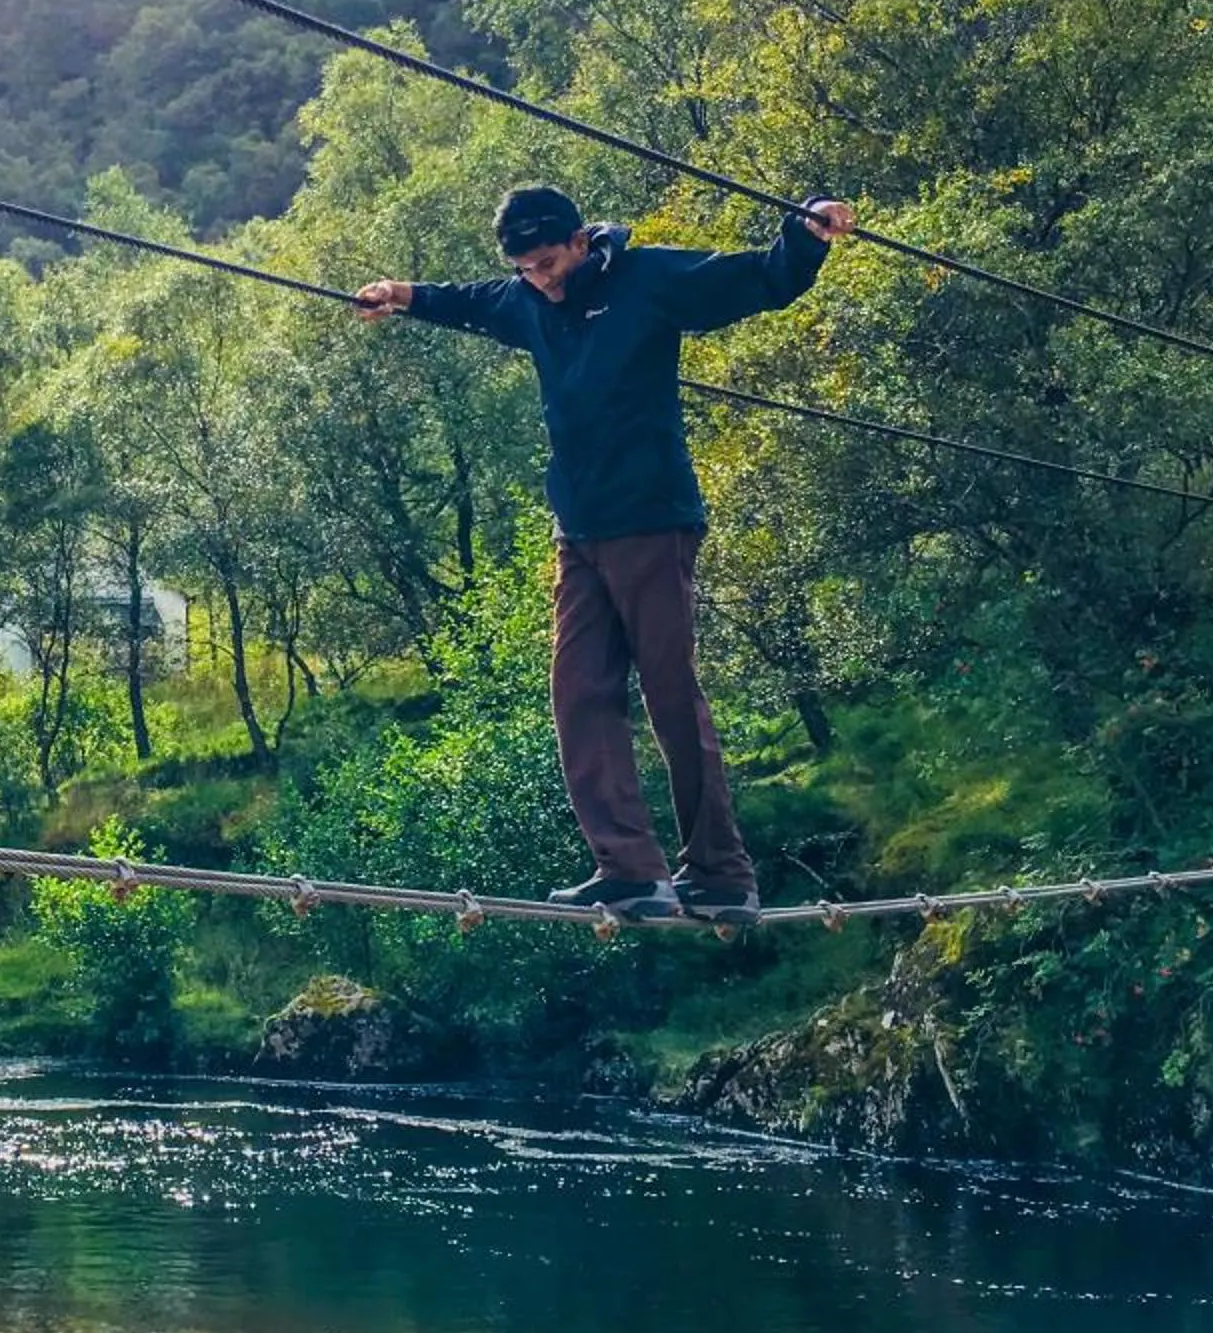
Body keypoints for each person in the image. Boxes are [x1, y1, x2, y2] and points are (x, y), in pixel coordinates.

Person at [356, 183, 856, 925]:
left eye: (550, 262)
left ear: (582, 240)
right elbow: (469, 300)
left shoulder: (646, 279)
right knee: (579, 693)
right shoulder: (525, 301)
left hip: (652, 519)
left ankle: (721, 872)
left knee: (668, 694)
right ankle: (628, 871)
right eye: (525, 268)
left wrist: (807, 232)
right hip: (579, 530)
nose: (541, 280)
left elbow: (754, 280)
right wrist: (400, 294)